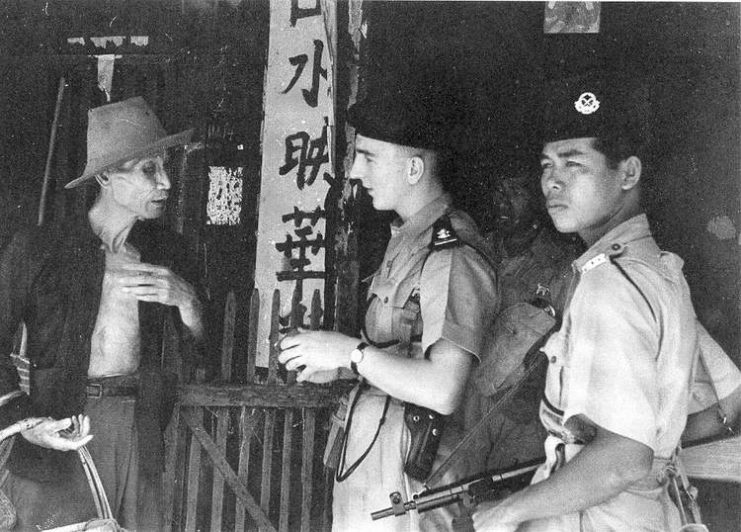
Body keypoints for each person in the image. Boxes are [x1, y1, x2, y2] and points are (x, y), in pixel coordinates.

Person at [472, 72, 705, 531]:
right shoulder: (658, 268)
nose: (551, 183)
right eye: (545, 165)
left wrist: (507, 512)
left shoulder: (610, 285)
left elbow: (622, 458)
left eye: (573, 164)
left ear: (629, 173)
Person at [278, 89, 499, 531]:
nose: (356, 172)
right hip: (373, 475)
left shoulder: (450, 256)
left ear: (414, 168)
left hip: (412, 489)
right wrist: (342, 365)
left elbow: (443, 389)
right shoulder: (406, 242)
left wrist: (351, 354)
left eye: (369, 158)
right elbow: (400, 351)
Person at [0, 96, 206, 530]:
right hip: (54, 427)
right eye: (150, 169)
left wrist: (186, 301)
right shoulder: (41, 249)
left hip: (138, 430)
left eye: (165, 166)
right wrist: (23, 423)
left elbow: (200, 354)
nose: (166, 182)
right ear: (107, 175)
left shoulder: (168, 255)